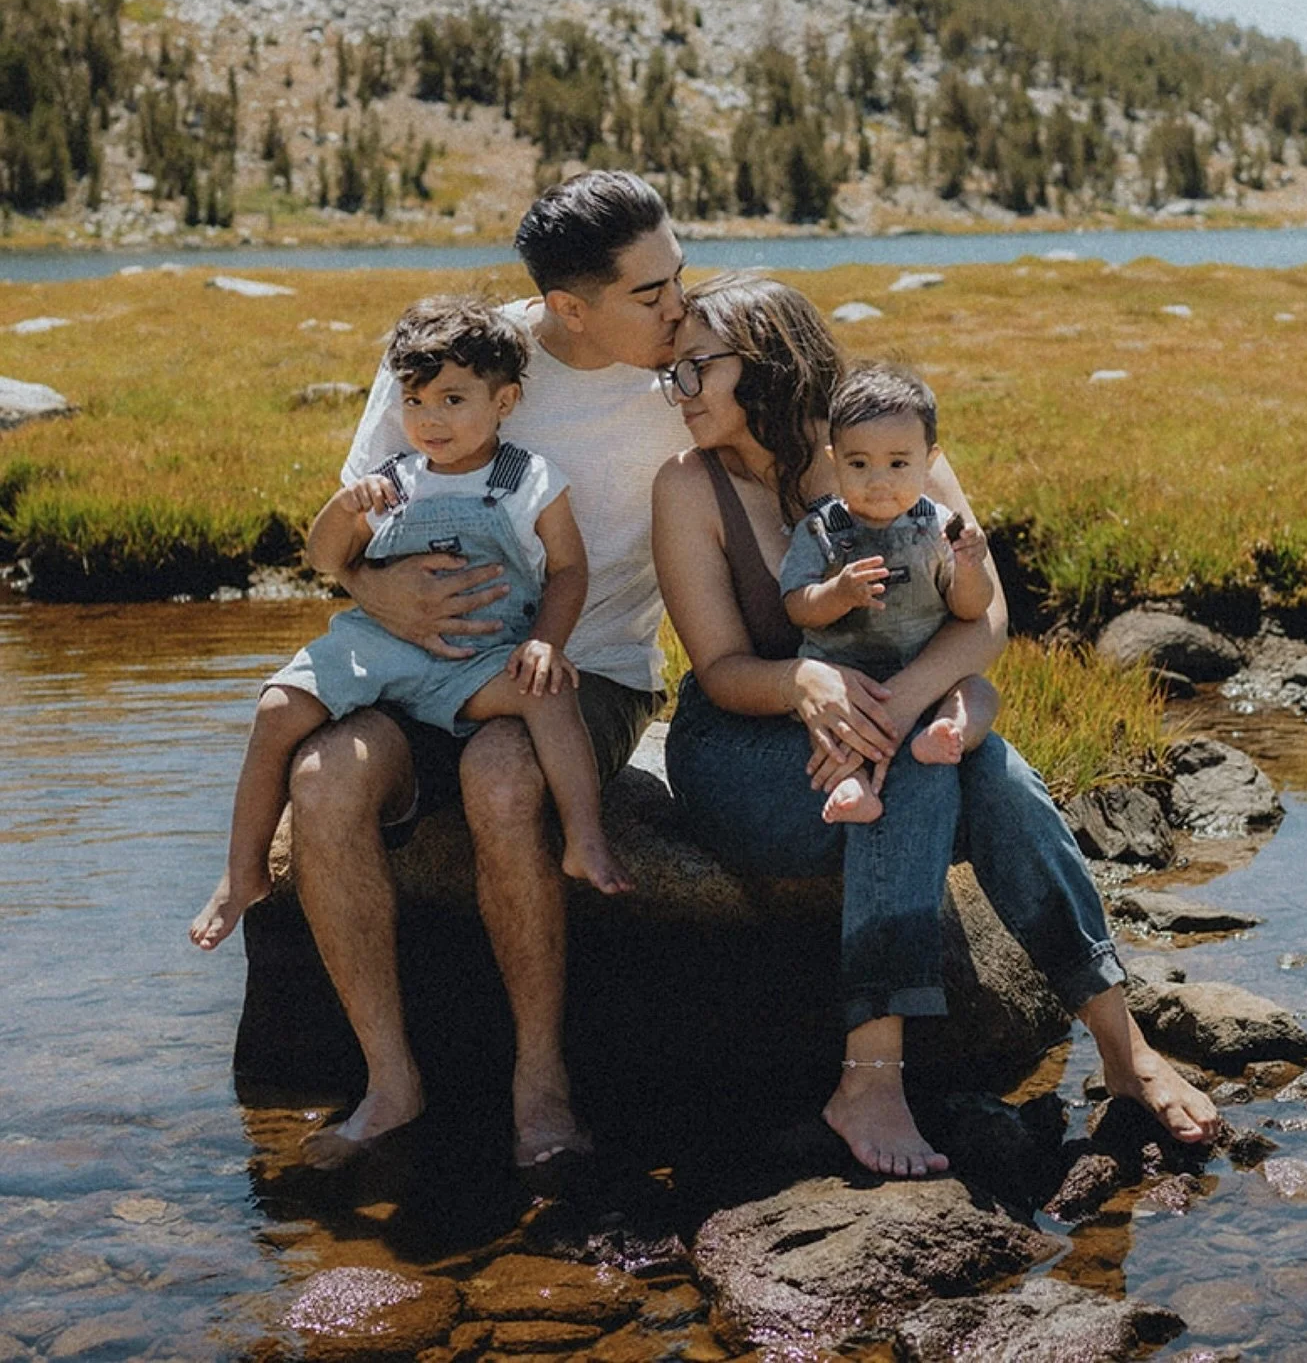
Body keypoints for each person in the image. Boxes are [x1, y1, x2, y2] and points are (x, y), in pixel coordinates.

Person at [651, 273, 1220, 1178]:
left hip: (889, 716)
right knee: (927, 762)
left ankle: (1121, 1046)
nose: (673, 392)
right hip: (750, 746)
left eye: (692, 371)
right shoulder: (687, 485)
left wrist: (911, 693)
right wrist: (809, 680)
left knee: (969, 764)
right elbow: (719, 672)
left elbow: (984, 618)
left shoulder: (894, 447)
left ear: (764, 364)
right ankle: (870, 1079)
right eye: (670, 374)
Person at [283, 171, 688, 1169]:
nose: (681, 307)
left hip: (583, 667)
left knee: (502, 775)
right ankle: (392, 1083)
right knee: (321, 782)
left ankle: (538, 1084)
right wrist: (376, 595)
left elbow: (823, 455)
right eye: (652, 293)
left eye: (681, 276)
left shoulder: (693, 374)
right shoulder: (464, 357)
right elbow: (344, 536)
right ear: (568, 307)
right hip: (422, 660)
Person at [189, 295, 629, 954]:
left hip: (479, 657)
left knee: (549, 692)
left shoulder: (529, 480)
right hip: (383, 648)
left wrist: (545, 643)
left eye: (453, 400)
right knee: (279, 706)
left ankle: (583, 837)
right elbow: (323, 557)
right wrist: (342, 510)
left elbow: (568, 570)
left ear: (503, 401)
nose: (430, 419)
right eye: (415, 401)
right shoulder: (392, 478)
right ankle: (241, 870)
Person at [779, 362, 1000, 823]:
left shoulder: (938, 526)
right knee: (834, 731)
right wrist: (837, 592)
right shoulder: (822, 530)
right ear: (834, 458)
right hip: (848, 679)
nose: (879, 481)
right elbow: (797, 607)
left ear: (930, 459)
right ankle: (852, 788)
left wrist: (969, 566)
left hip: (925, 674)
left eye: (898, 464)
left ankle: (945, 731)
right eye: (859, 464)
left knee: (978, 693)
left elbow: (970, 608)